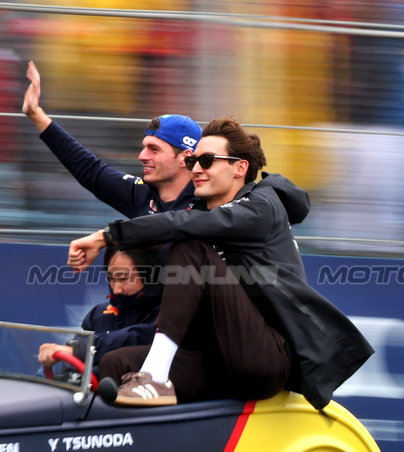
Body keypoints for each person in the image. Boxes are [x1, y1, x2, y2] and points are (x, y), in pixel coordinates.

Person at [66, 117, 372, 409]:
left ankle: (156, 378)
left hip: (263, 360)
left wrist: (105, 237)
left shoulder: (264, 204)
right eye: (191, 161)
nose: (196, 169)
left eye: (207, 160)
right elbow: (105, 181)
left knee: (190, 248)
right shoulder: (200, 214)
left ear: (240, 167)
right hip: (213, 358)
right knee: (116, 363)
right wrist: (40, 120)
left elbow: (182, 224)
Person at [22, 61, 200, 218]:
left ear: (185, 157)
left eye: (154, 149)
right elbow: (89, 170)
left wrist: (110, 237)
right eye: (144, 147)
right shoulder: (141, 194)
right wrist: (35, 114)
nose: (142, 156)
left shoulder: (214, 203)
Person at [37, 247, 163, 375]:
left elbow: (138, 336)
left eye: (123, 279)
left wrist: (80, 351)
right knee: (45, 371)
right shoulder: (98, 314)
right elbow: (71, 367)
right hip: (88, 392)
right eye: (112, 279)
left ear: (148, 277)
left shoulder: (166, 315)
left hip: (135, 392)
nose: (116, 289)